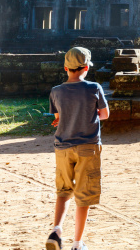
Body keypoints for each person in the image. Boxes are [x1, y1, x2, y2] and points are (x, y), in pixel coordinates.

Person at [45, 47, 109, 250]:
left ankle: (56, 230)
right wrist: (88, 116)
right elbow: (105, 114)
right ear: (86, 68)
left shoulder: (56, 91)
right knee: (84, 195)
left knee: (63, 191)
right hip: (88, 147)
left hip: (63, 147)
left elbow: (58, 118)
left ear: (66, 68)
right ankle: (77, 244)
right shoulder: (94, 88)